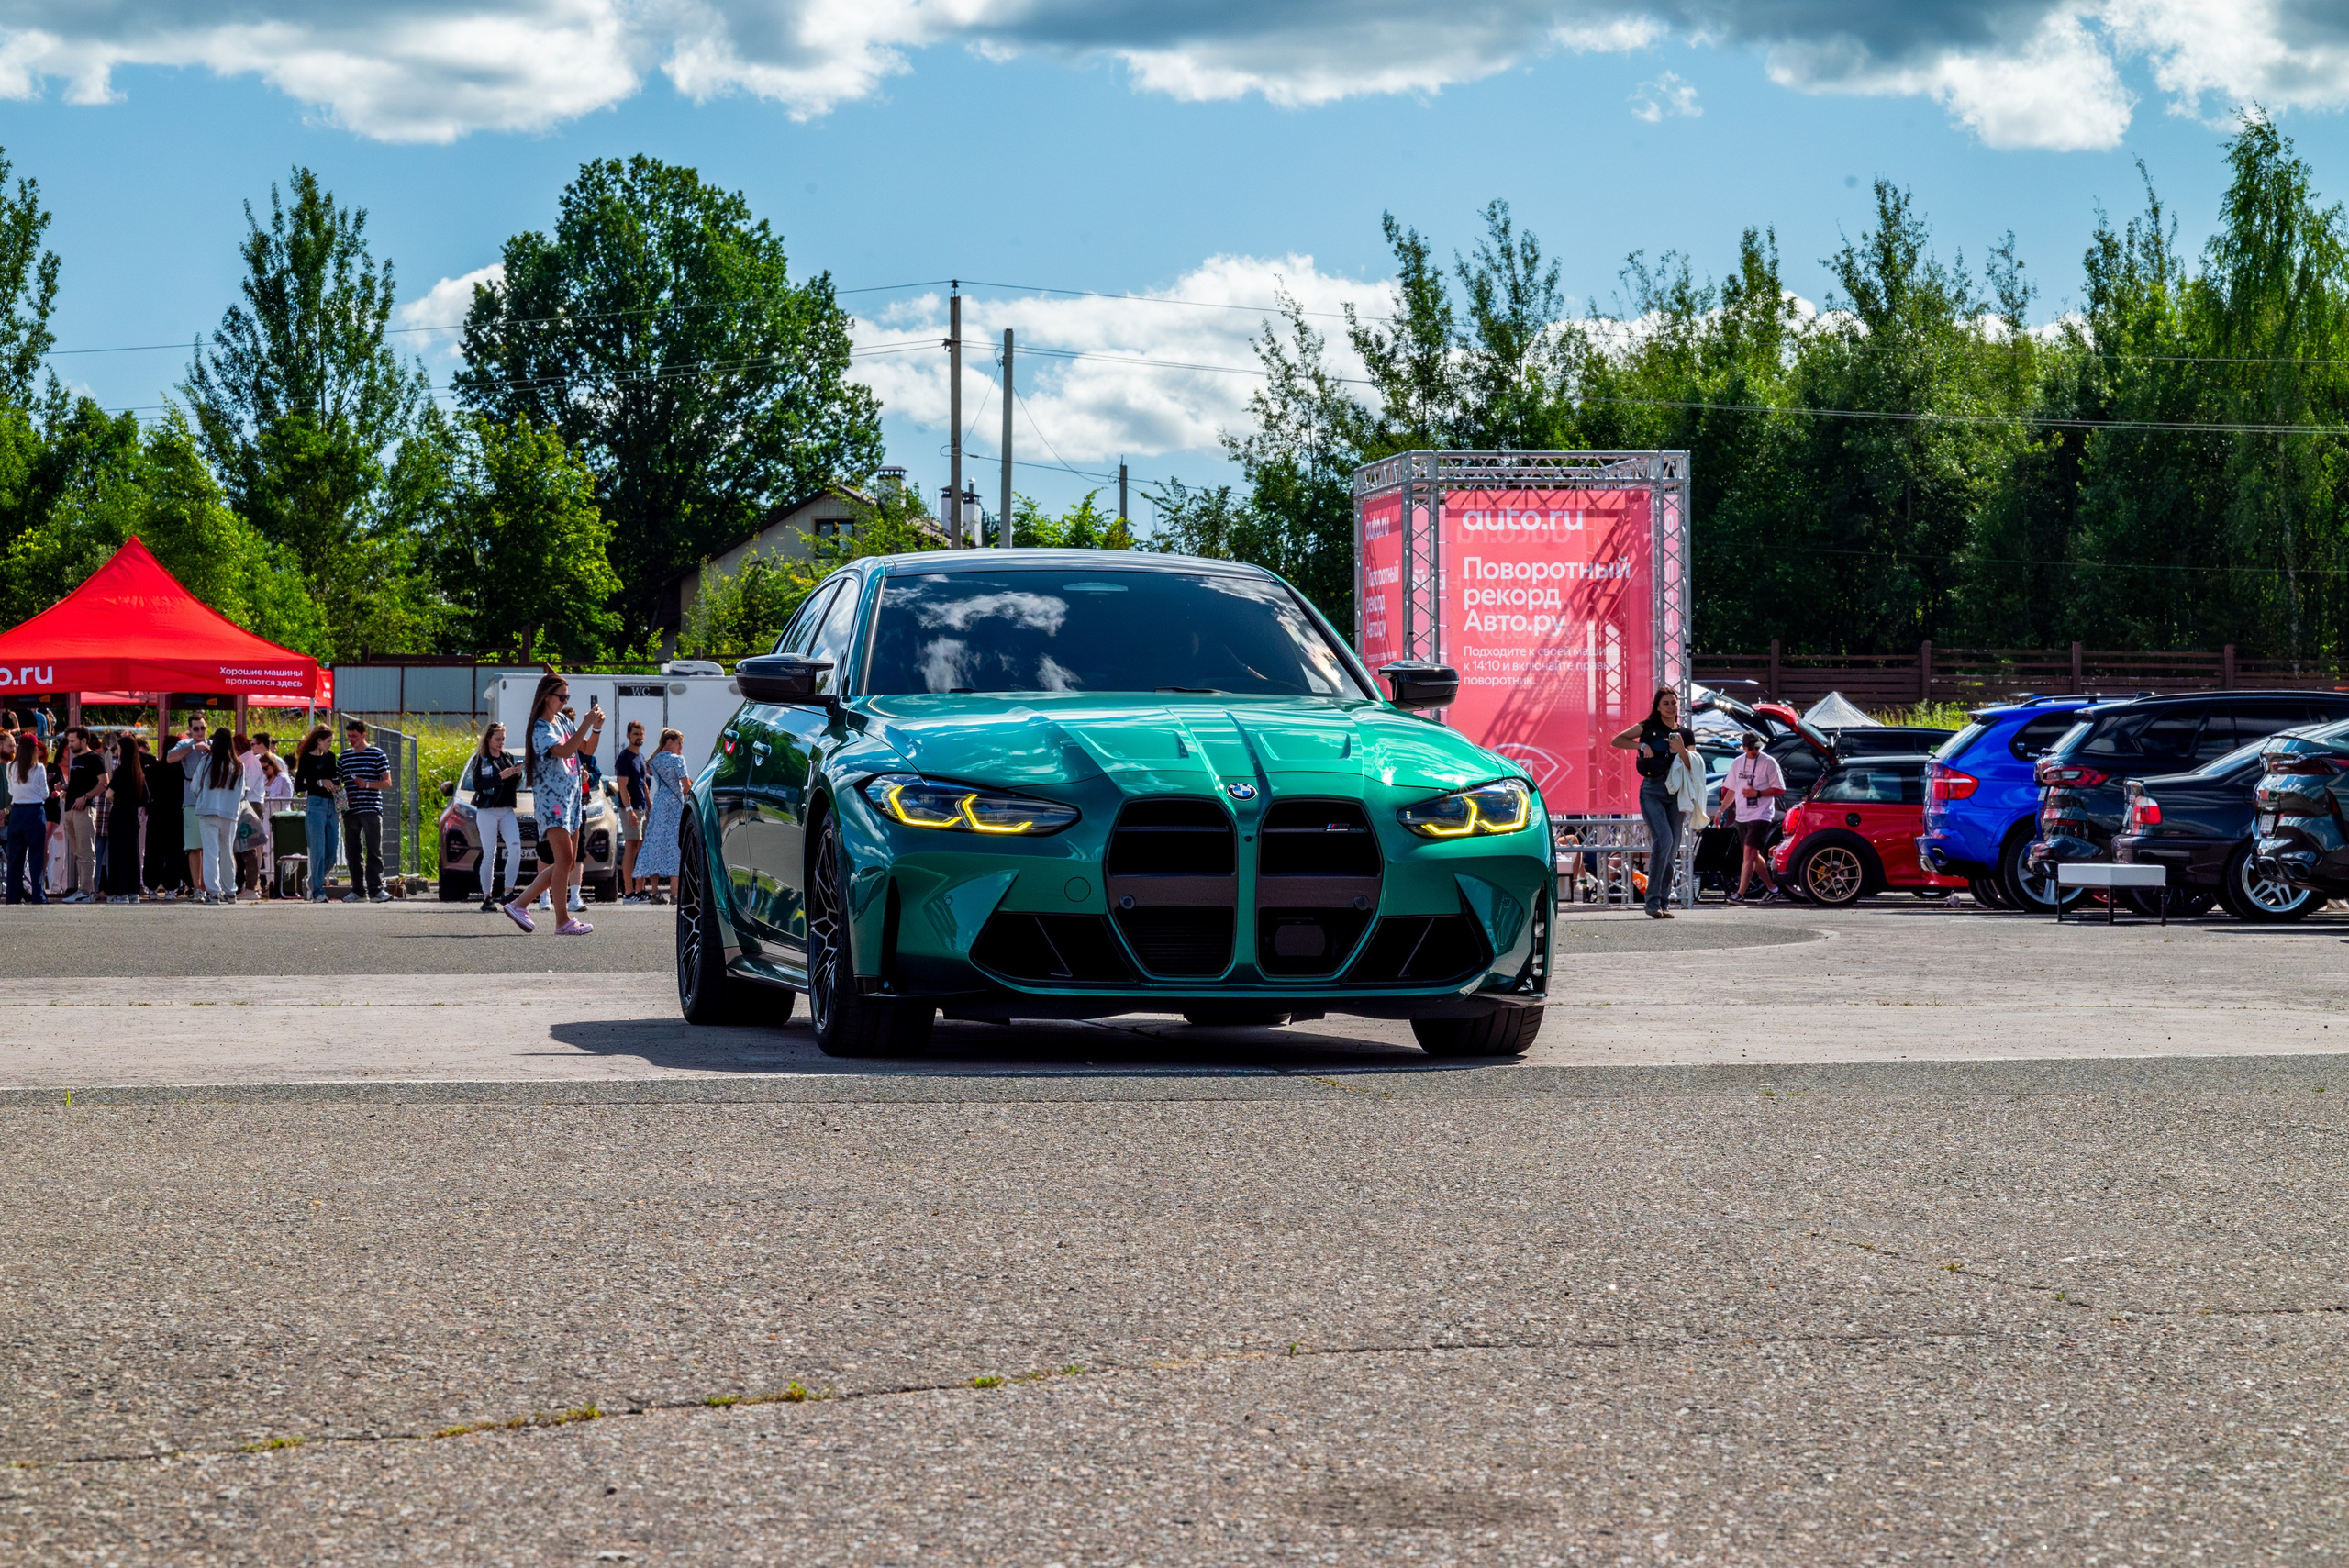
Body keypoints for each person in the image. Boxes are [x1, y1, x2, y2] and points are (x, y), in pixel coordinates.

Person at [502, 674, 602, 936]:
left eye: (567, 697)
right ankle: (561, 920)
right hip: (552, 804)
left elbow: (587, 749)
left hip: (571, 801)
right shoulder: (540, 728)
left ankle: (520, 904)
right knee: (565, 859)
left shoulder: (563, 721)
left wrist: (596, 728)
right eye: (562, 697)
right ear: (547, 696)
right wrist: (585, 724)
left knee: (566, 864)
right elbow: (566, 751)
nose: (565, 701)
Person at [1612, 686, 1698, 919]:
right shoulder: (1648, 726)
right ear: (1658, 707)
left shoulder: (1685, 734)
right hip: (1652, 790)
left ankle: (1663, 901)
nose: (1671, 706)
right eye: (1666, 703)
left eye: (1674, 702)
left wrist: (1681, 750)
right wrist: (1641, 745)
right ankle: (1652, 902)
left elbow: (1694, 766)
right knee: (1665, 839)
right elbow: (1617, 740)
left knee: (1671, 849)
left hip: (1676, 792)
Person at [1720, 730, 1787, 904]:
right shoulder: (1737, 763)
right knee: (1753, 855)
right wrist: (1722, 810)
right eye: (1750, 749)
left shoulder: (1768, 762)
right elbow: (1732, 789)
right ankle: (1773, 888)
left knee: (1749, 853)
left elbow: (1779, 789)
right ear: (1743, 747)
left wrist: (1757, 793)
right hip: (1742, 815)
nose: (1754, 751)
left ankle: (1740, 894)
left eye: (1756, 747)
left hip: (1761, 813)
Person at [464, 722, 524, 912]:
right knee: (490, 853)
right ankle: (487, 896)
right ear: (489, 739)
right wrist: (501, 776)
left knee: (515, 848)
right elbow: (478, 784)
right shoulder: (481, 759)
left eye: (503, 739)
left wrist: (516, 773)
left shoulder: (507, 757)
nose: (500, 743)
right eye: (497, 739)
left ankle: (508, 892)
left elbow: (513, 784)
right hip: (487, 810)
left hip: (506, 809)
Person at [629, 728, 690, 904]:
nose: (681, 748)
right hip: (675, 806)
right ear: (670, 742)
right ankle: (675, 894)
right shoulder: (678, 760)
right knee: (675, 845)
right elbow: (685, 787)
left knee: (655, 844)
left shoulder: (655, 761)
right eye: (680, 743)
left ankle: (655, 892)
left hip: (659, 805)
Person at [338, 719, 393, 903]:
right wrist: (342, 797)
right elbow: (337, 782)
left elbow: (387, 782)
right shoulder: (344, 757)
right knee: (353, 851)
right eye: (349, 736)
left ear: (363, 735)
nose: (351, 740)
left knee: (373, 849)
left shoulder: (377, 754)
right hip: (351, 811)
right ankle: (358, 890)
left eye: (354, 736)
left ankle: (376, 889)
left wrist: (367, 784)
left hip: (371, 808)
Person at [194, 728, 244, 905]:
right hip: (230, 813)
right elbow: (242, 792)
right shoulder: (238, 764)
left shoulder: (207, 761)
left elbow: (195, 785)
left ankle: (214, 892)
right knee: (227, 852)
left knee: (210, 853)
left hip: (208, 810)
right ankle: (230, 891)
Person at [294, 726, 340, 902]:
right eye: (328, 742)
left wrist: (335, 785)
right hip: (315, 805)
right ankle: (318, 890)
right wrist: (319, 782)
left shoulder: (330, 757)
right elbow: (299, 786)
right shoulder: (306, 758)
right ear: (319, 741)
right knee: (318, 849)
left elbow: (334, 778)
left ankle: (313, 881)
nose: (330, 745)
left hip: (331, 804)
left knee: (331, 852)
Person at [5, 728, 48, 904]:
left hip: (17, 812)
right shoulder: (39, 768)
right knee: (36, 856)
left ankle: (12, 897)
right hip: (35, 811)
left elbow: (10, 791)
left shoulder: (10, 767)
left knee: (15, 858)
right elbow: (44, 793)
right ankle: (38, 896)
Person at [60, 728, 103, 903]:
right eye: (69, 741)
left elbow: (104, 783)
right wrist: (64, 789)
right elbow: (79, 783)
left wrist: (86, 797)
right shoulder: (76, 759)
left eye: (73, 741)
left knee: (86, 852)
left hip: (84, 810)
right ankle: (82, 890)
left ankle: (87, 891)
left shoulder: (95, 758)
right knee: (78, 852)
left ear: (84, 740)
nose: (70, 745)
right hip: (70, 809)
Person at [101, 734, 146, 903]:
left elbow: (110, 794)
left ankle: (120, 892)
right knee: (133, 853)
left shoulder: (121, 771)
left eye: (118, 749)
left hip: (119, 814)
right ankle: (133, 891)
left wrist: (116, 797)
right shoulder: (138, 771)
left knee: (117, 853)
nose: (116, 753)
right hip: (132, 815)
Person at [615, 719, 649, 902]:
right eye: (635, 733)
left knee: (641, 846)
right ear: (628, 736)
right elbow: (622, 786)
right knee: (631, 845)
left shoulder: (641, 757)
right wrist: (629, 810)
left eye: (641, 733)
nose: (638, 737)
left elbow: (643, 784)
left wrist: (649, 806)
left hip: (641, 807)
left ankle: (640, 888)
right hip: (630, 808)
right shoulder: (624, 757)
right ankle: (628, 892)